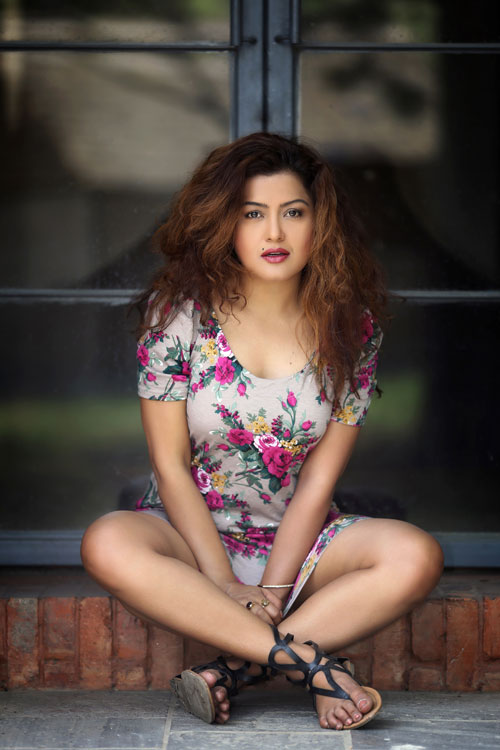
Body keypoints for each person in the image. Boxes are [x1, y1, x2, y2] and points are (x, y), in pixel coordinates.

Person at [81, 132, 443, 731]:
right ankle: (316, 670)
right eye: (252, 214)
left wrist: (272, 590)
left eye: (293, 213)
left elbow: (318, 482)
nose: (274, 233)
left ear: (319, 224)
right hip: (189, 535)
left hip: (298, 543)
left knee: (416, 555)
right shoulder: (178, 316)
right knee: (106, 541)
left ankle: (232, 671)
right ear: (225, 223)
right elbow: (170, 466)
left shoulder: (353, 329)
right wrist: (226, 584)